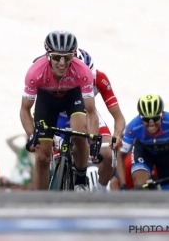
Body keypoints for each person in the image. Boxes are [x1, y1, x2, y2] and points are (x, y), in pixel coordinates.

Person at [20, 30, 99, 191]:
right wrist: (31, 135)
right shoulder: (35, 72)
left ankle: (81, 180)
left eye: (68, 57)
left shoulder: (83, 71)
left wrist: (94, 141)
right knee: (42, 157)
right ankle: (42, 202)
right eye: (57, 57)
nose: (62, 63)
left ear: (74, 55)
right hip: (47, 101)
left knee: (79, 132)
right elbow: (25, 109)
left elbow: (91, 112)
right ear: (48, 55)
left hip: (72, 98)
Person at [50, 48, 125, 191]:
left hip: (87, 113)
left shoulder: (99, 78)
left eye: (87, 80)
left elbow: (118, 117)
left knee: (108, 154)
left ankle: (100, 190)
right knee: (48, 154)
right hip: (60, 115)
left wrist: (117, 135)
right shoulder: (55, 75)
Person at [117, 94, 169, 190]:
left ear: (162, 115)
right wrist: (123, 184)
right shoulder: (133, 126)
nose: (151, 123)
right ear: (140, 117)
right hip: (144, 152)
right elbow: (120, 155)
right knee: (140, 184)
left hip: (166, 154)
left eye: (155, 118)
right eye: (146, 119)